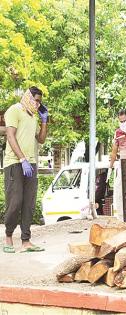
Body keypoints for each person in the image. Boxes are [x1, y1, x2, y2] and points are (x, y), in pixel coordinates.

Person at [3, 86, 48, 253]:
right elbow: (10, 136)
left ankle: (26, 241)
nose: (37, 105)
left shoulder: (33, 117)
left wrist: (44, 121)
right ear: (28, 97)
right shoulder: (14, 111)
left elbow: (41, 139)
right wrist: (22, 159)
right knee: (15, 203)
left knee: (29, 203)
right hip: (14, 163)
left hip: (31, 165)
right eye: (36, 101)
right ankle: (8, 237)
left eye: (39, 102)